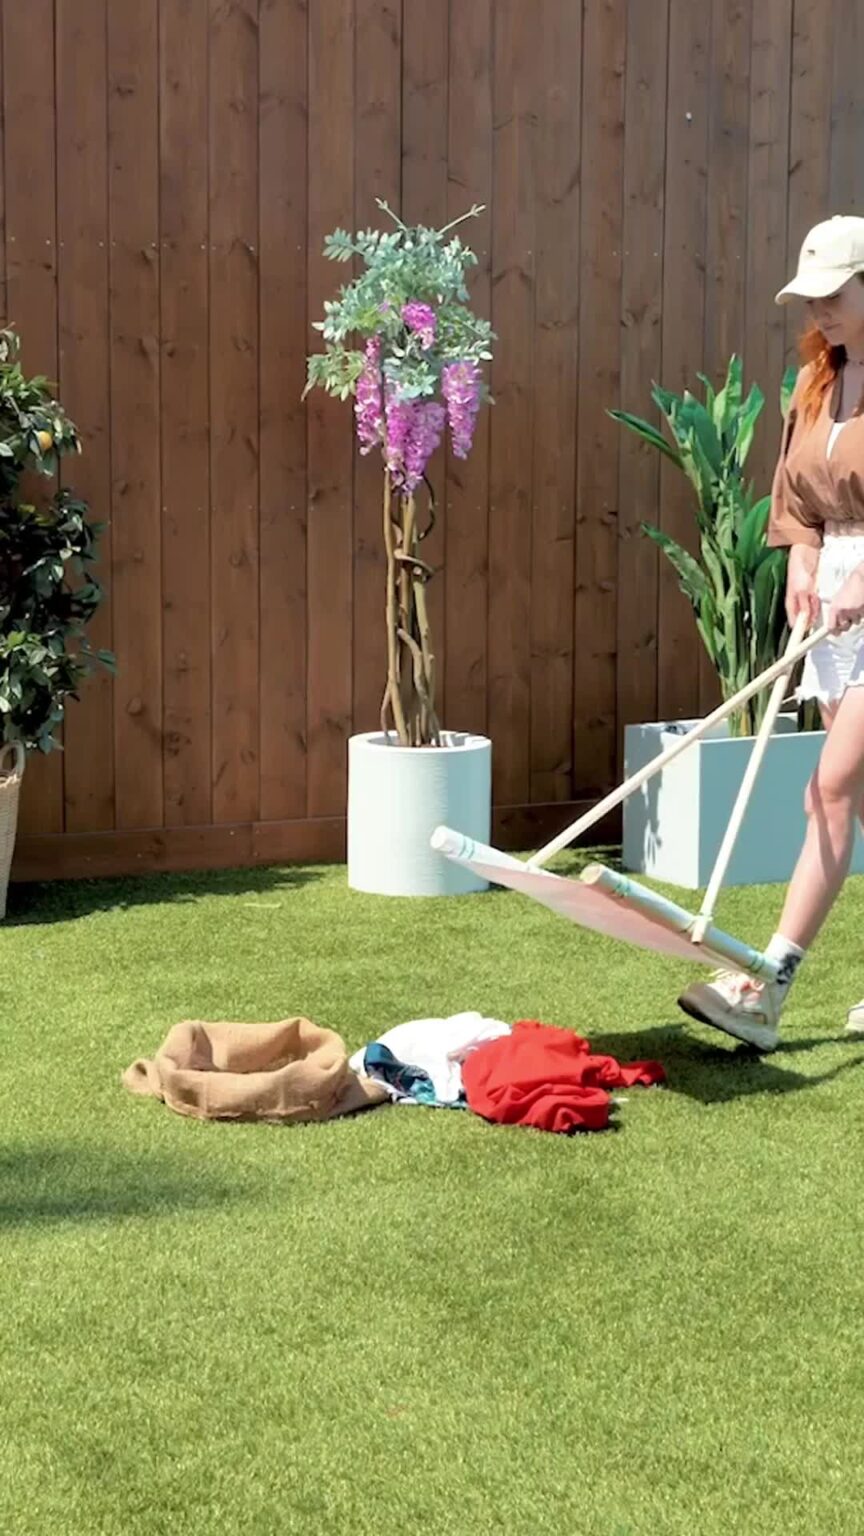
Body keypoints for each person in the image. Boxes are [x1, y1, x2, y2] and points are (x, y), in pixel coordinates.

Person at [678, 215, 864, 1053]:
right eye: (809, 295)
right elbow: (797, 499)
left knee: (828, 791)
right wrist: (804, 563)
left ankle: (766, 986)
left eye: (834, 292)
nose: (819, 308)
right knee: (854, 796)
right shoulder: (818, 380)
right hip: (833, 602)